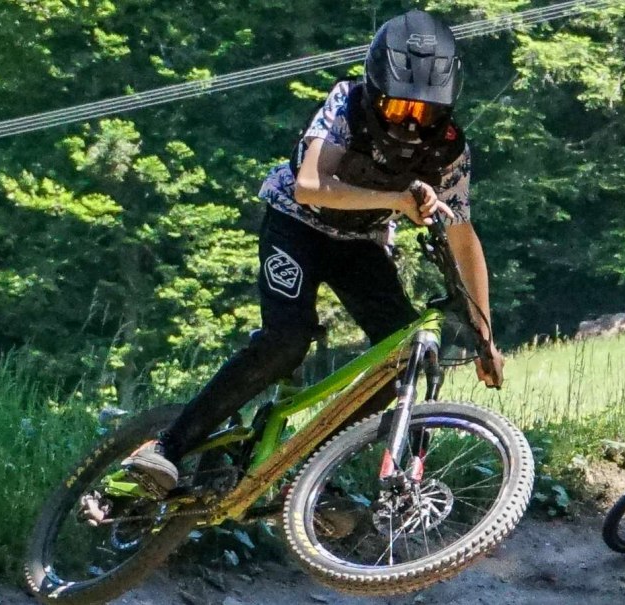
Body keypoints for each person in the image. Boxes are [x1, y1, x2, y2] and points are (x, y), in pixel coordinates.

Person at [122, 10, 504, 495]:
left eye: (423, 112)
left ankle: (306, 467)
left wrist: (485, 338)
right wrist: (394, 201)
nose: (409, 123)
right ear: (375, 88)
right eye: (397, 108)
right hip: (295, 226)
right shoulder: (346, 104)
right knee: (285, 342)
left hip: (360, 244)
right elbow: (309, 186)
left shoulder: (449, 151)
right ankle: (167, 446)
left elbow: (463, 240)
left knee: (402, 355)